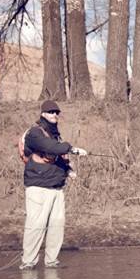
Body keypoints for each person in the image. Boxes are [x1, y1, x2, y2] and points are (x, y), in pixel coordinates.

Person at [19, 100, 87, 270]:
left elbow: (56, 155)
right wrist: (72, 148)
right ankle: (28, 263)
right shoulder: (34, 133)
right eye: (50, 112)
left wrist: (68, 170)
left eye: (56, 112)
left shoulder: (56, 136)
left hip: (56, 187)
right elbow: (49, 147)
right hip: (38, 188)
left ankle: (51, 261)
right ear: (43, 114)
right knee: (36, 226)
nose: (54, 115)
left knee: (57, 226)